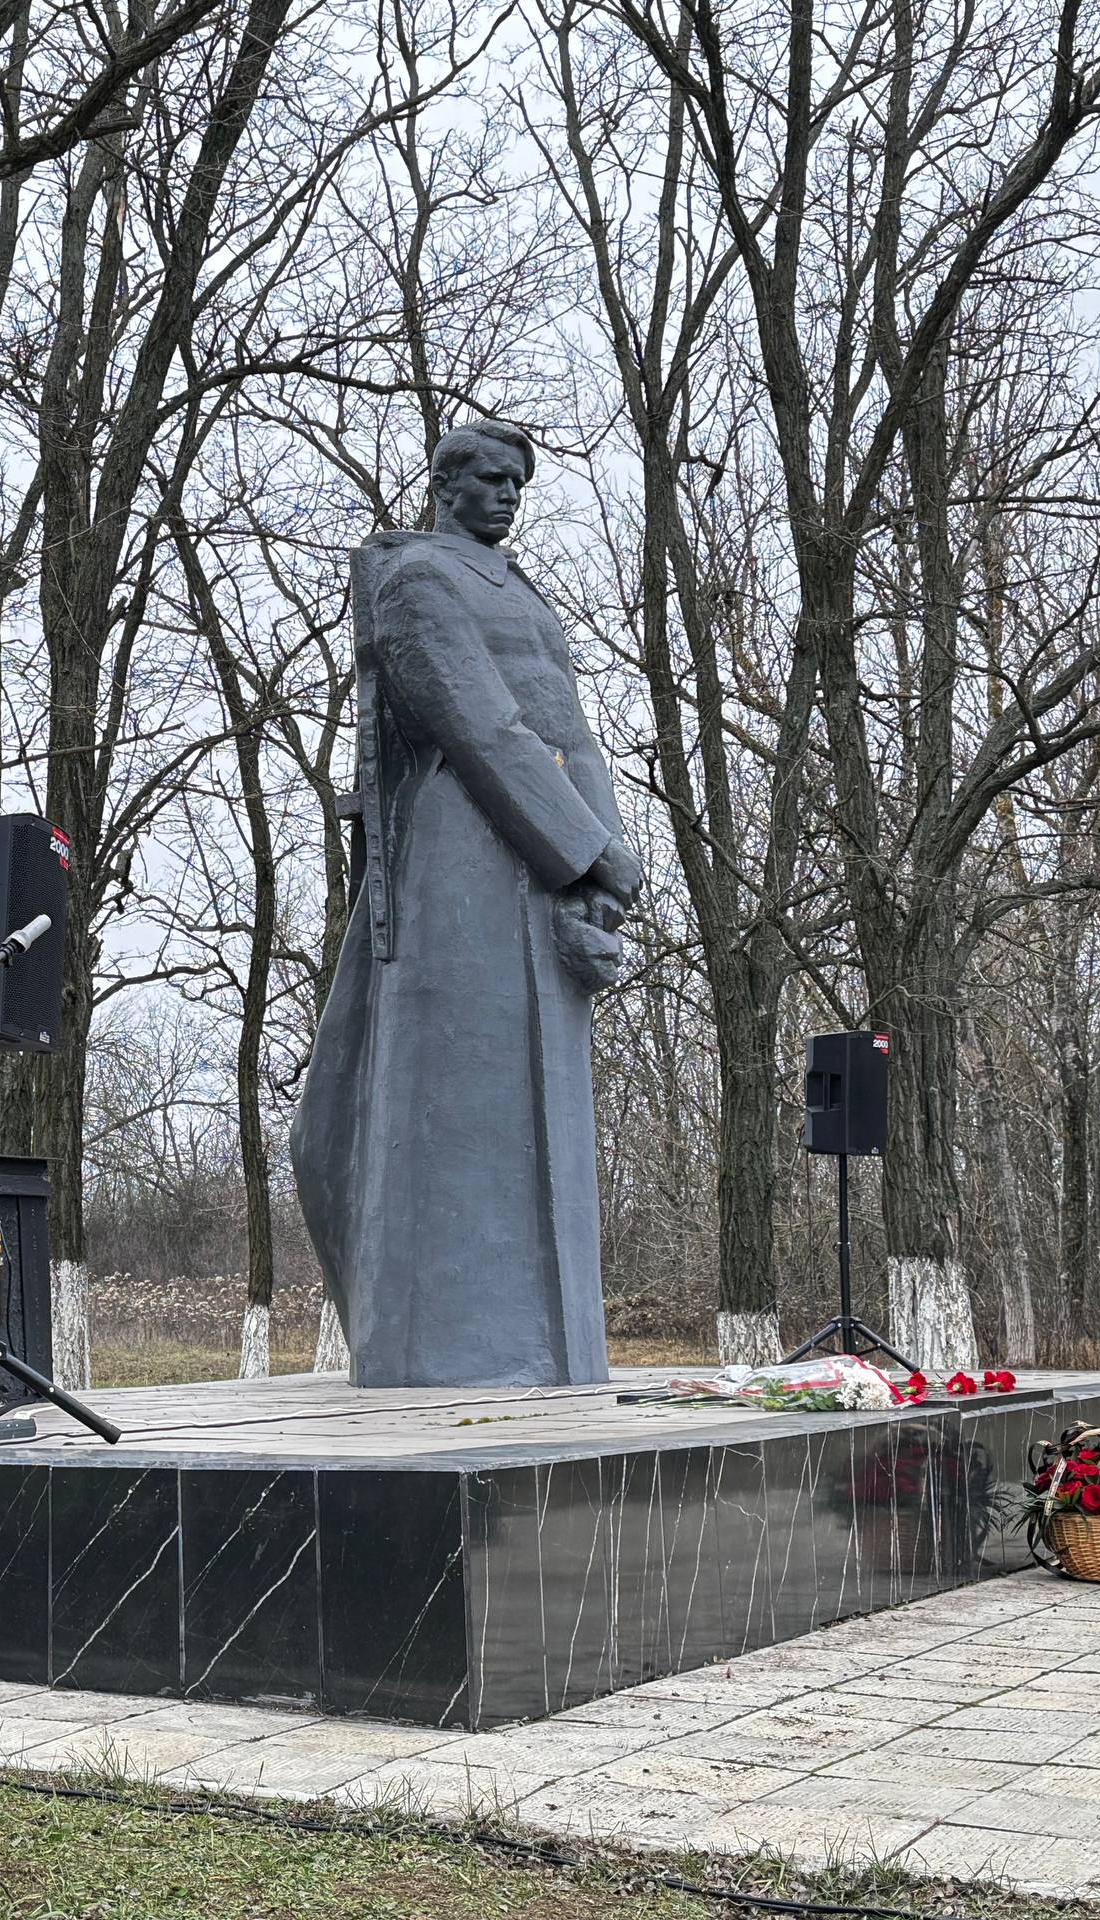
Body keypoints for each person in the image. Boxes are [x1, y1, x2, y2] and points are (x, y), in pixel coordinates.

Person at [290, 419, 643, 1387]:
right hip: (461, 848)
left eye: (517, 484)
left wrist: (612, 860)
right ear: (444, 484)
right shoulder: (418, 580)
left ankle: (552, 1358)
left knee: (538, 1107)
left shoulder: (518, 587)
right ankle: (452, 1350)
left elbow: (566, 729)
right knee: (458, 1100)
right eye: (488, 479)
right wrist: (585, 850)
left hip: (543, 851)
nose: (505, 497)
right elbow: (478, 722)